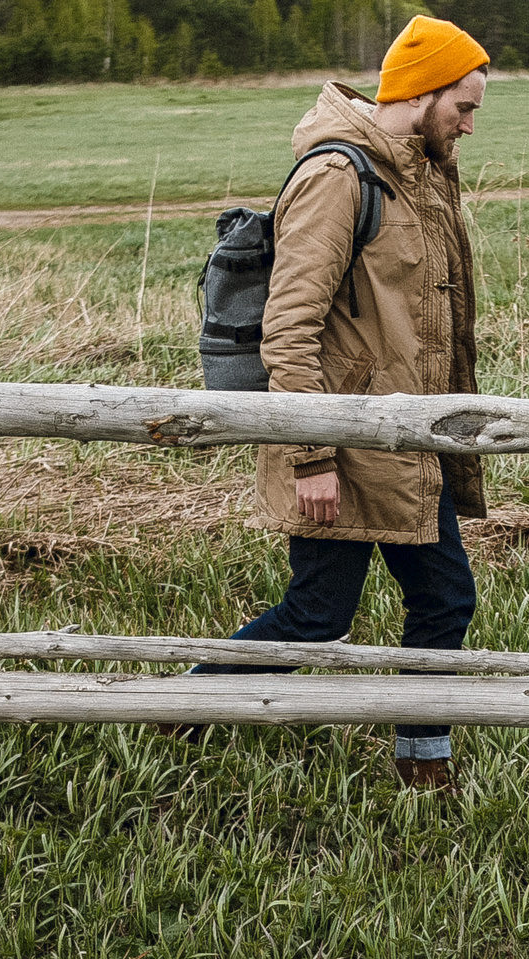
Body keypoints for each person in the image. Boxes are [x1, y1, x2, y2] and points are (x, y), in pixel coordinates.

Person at [190, 18, 491, 792]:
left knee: (443, 598)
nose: (467, 122)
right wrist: (312, 455)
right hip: (342, 445)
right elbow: (288, 329)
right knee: (318, 615)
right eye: (461, 105)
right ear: (419, 93)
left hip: (400, 443)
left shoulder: (416, 171)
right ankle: (182, 700)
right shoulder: (338, 177)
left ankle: (424, 760)